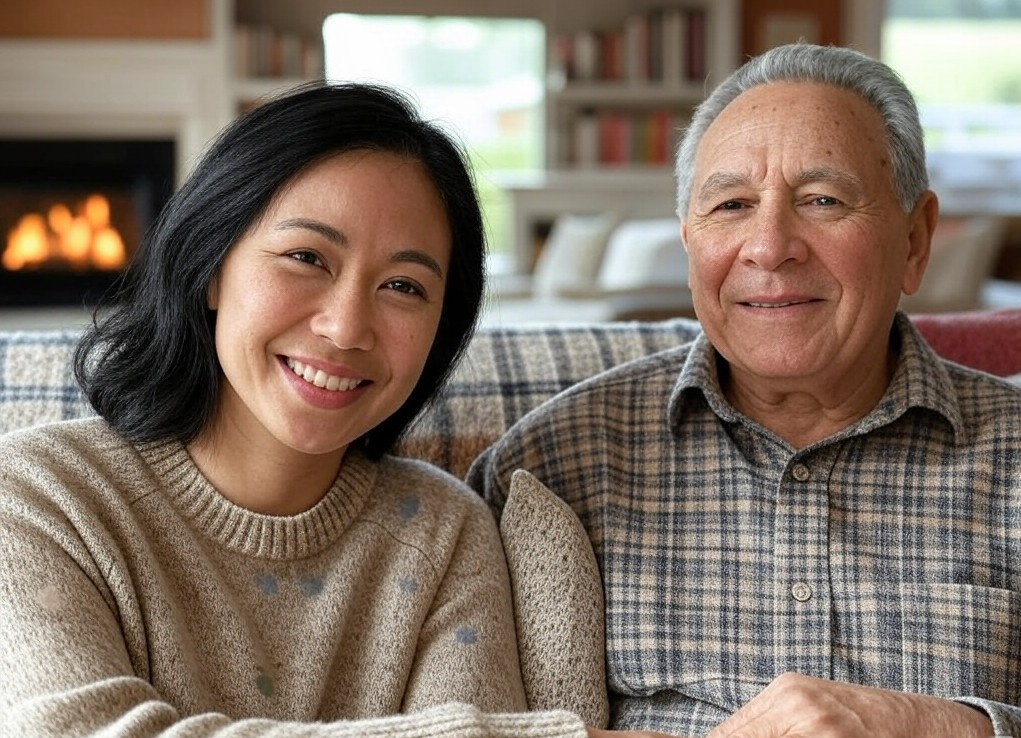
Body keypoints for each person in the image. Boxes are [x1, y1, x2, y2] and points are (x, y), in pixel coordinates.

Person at [0, 81, 588, 738]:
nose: (345, 328)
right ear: (212, 265)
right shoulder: (37, 496)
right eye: (306, 257)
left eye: (403, 286)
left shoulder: (443, 534)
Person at [469, 42, 1021, 738]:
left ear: (914, 240)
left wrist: (949, 726)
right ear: (689, 241)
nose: (768, 246)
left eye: (821, 200)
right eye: (730, 205)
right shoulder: (552, 467)